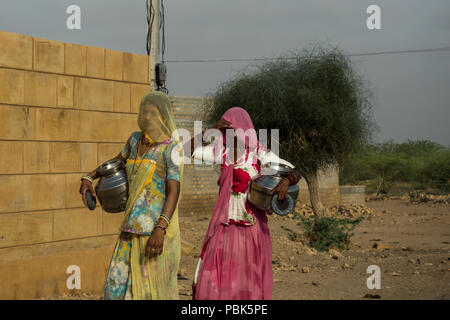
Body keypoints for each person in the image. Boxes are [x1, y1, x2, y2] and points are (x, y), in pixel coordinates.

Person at [187, 107, 301, 300]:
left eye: (232, 130)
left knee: (248, 279)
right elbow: (187, 150)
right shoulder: (222, 154)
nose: (228, 135)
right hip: (224, 227)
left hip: (252, 229)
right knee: (219, 280)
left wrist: (286, 181)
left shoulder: (259, 154)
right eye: (225, 132)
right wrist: (210, 131)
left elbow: (295, 170)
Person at [79, 91, 184, 300]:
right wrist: (89, 177)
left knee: (151, 293)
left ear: (164, 116)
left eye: (153, 113)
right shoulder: (136, 140)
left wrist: (160, 229)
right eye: (144, 112)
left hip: (154, 234)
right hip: (130, 229)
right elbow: (117, 162)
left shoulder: (171, 148)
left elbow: (174, 190)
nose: (147, 117)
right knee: (117, 290)